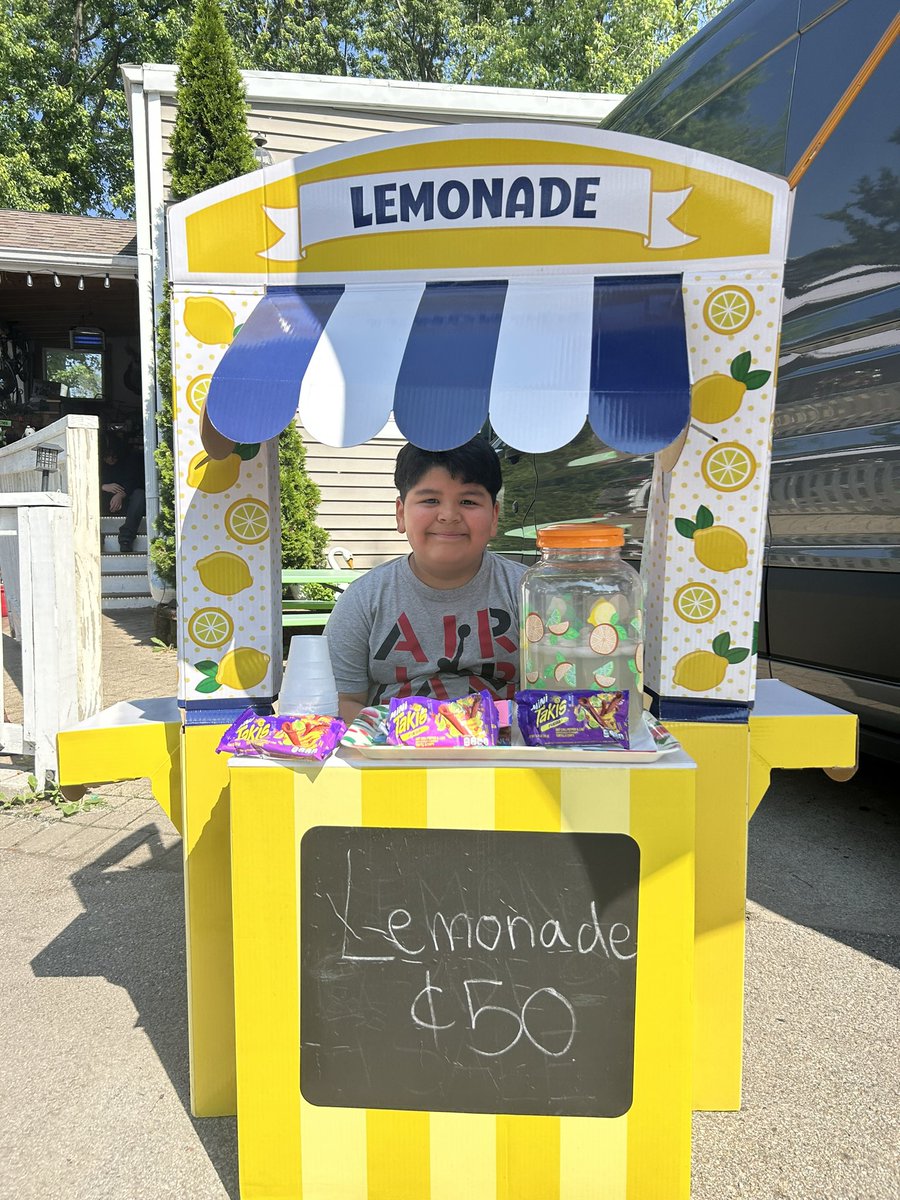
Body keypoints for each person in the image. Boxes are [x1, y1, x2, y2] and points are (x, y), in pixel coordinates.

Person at [327, 437, 525, 725]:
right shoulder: (363, 601)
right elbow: (345, 700)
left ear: (494, 516)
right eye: (430, 500)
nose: (448, 515)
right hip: (394, 756)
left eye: (468, 501)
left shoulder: (527, 593)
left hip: (505, 756)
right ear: (401, 513)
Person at [100, 436, 146, 552]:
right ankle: (97, 539)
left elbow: (135, 481)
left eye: (114, 456)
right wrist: (102, 486)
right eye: (107, 456)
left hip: (127, 503)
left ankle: (126, 539)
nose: (111, 459)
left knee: (139, 495)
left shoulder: (129, 462)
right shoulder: (96, 465)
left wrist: (121, 494)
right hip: (102, 502)